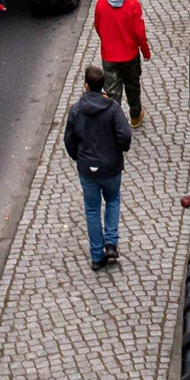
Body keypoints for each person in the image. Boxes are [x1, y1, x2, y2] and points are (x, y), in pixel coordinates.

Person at [62, 64, 133, 269]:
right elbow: (125, 135)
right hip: (110, 167)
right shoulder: (112, 108)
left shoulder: (76, 110)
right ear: (103, 85)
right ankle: (111, 243)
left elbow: (69, 140)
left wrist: (79, 158)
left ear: (85, 85)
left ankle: (96, 256)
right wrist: (120, 150)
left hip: (87, 169)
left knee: (92, 210)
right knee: (112, 200)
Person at [93, 0, 151, 126]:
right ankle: (135, 115)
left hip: (109, 55)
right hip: (130, 55)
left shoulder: (101, 2)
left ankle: (113, 122)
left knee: (112, 91)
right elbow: (140, 32)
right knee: (132, 86)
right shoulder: (132, 3)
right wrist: (145, 51)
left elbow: (97, 25)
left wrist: (106, 40)